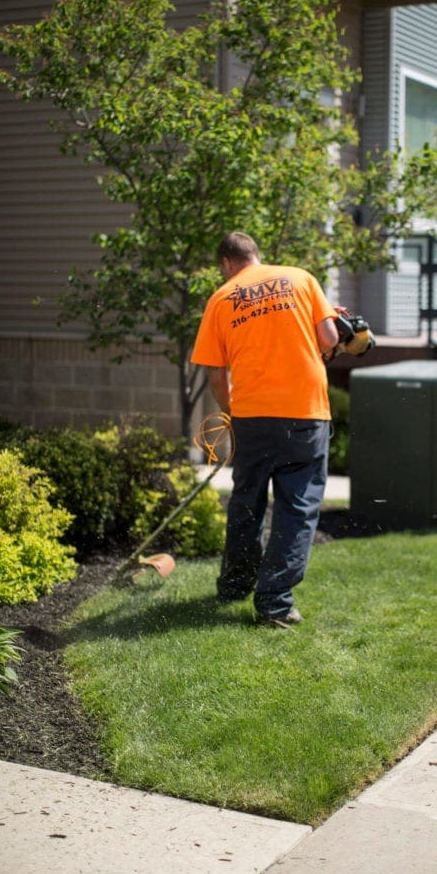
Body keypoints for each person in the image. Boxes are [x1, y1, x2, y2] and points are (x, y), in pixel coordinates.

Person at [190, 231, 340, 628]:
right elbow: (329, 338)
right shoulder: (301, 278)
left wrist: (231, 412)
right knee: (298, 506)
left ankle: (236, 583)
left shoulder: (221, 299)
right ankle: (274, 603)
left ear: (226, 264)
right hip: (305, 413)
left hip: (253, 416)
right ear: (256, 255)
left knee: (247, 500)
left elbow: (216, 375)